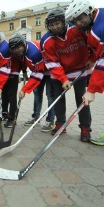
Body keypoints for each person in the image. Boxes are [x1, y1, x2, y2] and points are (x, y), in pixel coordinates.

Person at [41, 7, 95, 142]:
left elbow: (92, 43)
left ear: (64, 21)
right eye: (52, 24)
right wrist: (63, 79)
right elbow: (52, 63)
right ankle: (60, 123)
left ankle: (85, 127)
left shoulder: (77, 29)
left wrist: (92, 58)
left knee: (82, 99)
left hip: (79, 68)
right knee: (58, 98)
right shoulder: (46, 40)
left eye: (57, 23)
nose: (55, 27)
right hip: (59, 72)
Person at [65, 0, 104, 145]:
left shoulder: (102, 28)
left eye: (80, 18)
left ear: (89, 10)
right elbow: (100, 52)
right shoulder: (99, 15)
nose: (78, 23)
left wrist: (91, 90)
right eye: (74, 20)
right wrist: (92, 58)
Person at [8, 33, 55, 131]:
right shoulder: (21, 51)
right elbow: (24, 61)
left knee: (50, 95)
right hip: (38, 69)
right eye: (14, 48)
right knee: (37, 94)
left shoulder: (33, 53)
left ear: (23, 44)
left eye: (19, 47)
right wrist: (24, 71)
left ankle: (51, 120)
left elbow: (38, 74)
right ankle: (35, 117)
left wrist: (24, 90)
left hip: (50, 70)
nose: (17, 50)